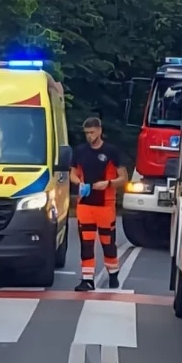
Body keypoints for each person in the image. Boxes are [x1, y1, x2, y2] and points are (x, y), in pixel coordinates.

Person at [71, 117, 128, 292]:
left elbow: (124, 177)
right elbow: (72, 173)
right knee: (86, 243)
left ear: (100, 131)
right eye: (87, 133)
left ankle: (113, 273)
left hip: (106, 204)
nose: (89, 136)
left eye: (92, 132)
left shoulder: (111, 152)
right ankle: (87, 279)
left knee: (107, 242)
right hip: (85, 204)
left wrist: (108, 184)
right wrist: (79, 183)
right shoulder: (80, 151)